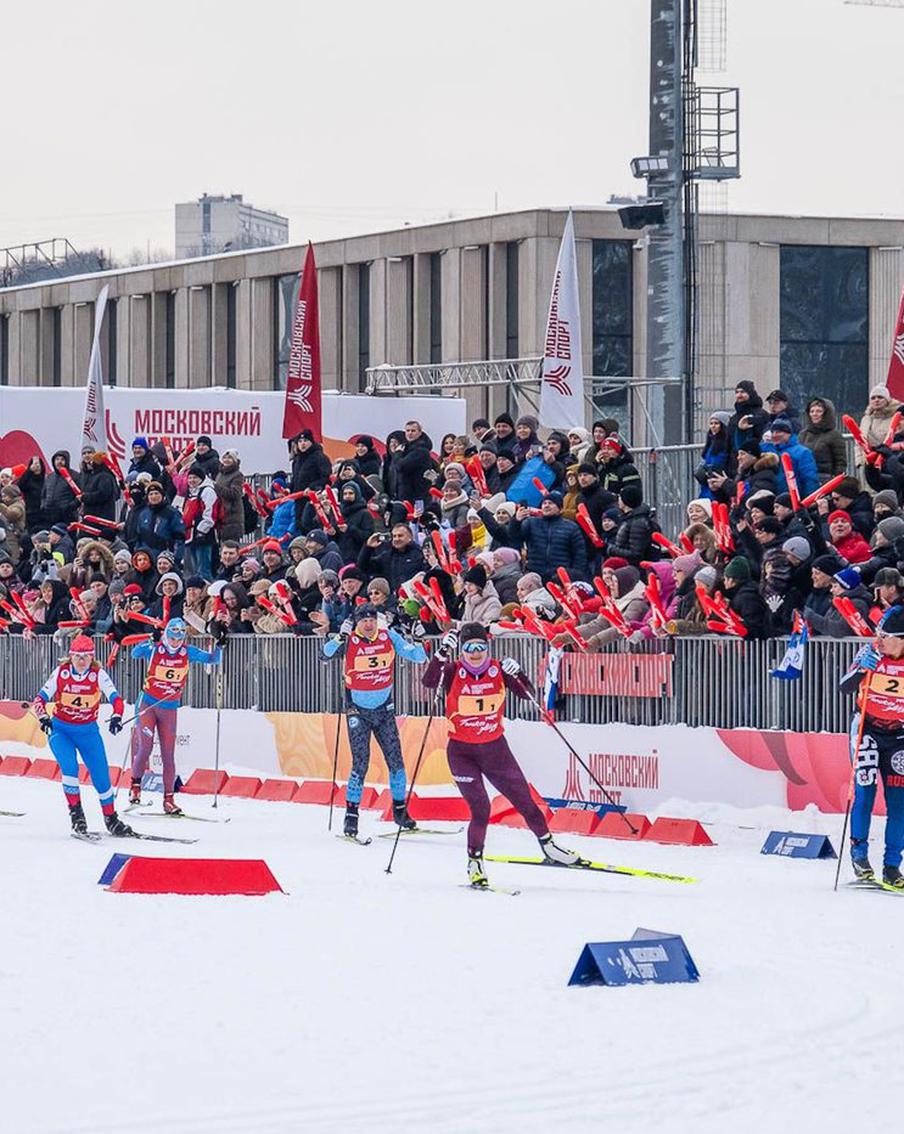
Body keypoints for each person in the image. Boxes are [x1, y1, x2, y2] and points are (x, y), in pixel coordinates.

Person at [422, 623, 580, 888]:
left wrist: (519, 673)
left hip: (496, 751)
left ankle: (550, 847)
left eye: (480, 647)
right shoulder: (452, 671)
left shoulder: (498, 669)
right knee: (481, 809)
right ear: (462, 650)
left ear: (487, 647)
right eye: (469, 648)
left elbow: (527, 694)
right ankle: (475, 862)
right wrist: (441, 654)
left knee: (525, 801)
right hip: (462, 753)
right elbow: (428, 682)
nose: (475, 653)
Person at [323, 603, 427, 838]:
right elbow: (324, 655)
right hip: (358, 712)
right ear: (357, 622)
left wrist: (419, 640)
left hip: (384, 711)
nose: (369, 625)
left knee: (396, 761)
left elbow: (418, 658)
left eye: (372, 620)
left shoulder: (388, 636)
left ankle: (399, 810)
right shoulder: (350, 639)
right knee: (361, 763)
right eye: (364, 621)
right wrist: (340, 637)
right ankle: (351, 815)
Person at [32, 634, 133, 837]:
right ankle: (77, 816)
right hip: (61, 731)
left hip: (87, 732)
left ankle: (111, 819)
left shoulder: (98, 675)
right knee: (70, 768)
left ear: (92, 657)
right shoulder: (61, 672)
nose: (81, 661)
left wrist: (116, 716)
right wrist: (43, 718)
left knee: (101, 776)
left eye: (86, 656)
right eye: (78, 656)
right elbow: (39, 700)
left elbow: (116, 699)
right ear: (71, 656)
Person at [127, 618, 222, 814]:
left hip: (169, 708)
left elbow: (213, 659)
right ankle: (135, 787)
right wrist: (149, 640)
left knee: (168, 755)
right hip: (148, 704)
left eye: (179, 639)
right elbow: (135, 653)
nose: (175, 643)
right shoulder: (156, 648)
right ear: (166, 635)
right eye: (172, 638)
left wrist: (220, 644)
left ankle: (168, 800)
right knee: (145, 748)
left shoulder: (188, 652)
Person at [838, 605, 904, 887]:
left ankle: (892, 866)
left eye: (885, 636)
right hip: (867, 730)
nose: (879, 640)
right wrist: (862, 669)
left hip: (898, 736)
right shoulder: (871, 652)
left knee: (899, 803)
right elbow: (844, 687)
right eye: (878, 634)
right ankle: (859, 857)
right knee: (864, 793)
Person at [799, 397, 847, 484]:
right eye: (812, 411)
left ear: (827, 413)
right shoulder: (803, 434)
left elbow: (840, 462)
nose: (814, 414)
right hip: (804, 478)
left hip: (825, 480)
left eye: (819, 411)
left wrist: (836, 481)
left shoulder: (834, 435)